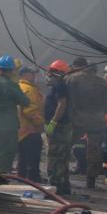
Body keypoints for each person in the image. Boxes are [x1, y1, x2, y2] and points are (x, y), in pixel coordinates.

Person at [65, 56, 107, 187]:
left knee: (66, 147)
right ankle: (91, 181)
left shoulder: (71, 78)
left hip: (76, 119)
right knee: (94, 150)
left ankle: (62, 177)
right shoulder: (101, 82)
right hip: (96, 120)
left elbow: (66, 99)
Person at [42, 59, 75, 194]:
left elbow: (62, 104)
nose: (48, 74)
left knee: (55, 156)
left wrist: (54, 121)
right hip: (61, 126)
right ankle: (63, 186)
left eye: (51, 71)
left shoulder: (59, 85)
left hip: (59, 127)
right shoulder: (57, 85)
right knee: (62, 156)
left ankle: (55, 186)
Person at [15, 62, 46, 180]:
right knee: (33, 155)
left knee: (23, 155)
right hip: (30, 128)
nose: (35, 76)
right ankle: (33, 177)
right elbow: (30, 110)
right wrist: (41, 123)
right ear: (24, 75)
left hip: (21, 129)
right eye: (32, 74)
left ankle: (21, 176)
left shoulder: (18, 87)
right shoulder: (29, 89)